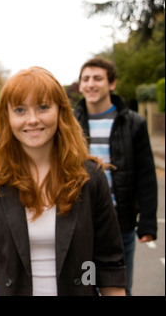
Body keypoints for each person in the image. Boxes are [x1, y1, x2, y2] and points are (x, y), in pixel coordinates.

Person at [0, 67, 126, 296]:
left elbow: (109, 264)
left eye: (43, 107)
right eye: (20, 110)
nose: (32, 120)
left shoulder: (90, 177)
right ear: (7, 117)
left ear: (60, 111)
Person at [74, 57, 158, 296]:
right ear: (80, 85)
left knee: (119, 287)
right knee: (82, 288)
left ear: (112, 84)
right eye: (86, 79)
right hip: (80, 220)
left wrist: (148, 222)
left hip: (121, 223)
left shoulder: (133, 122)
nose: (90, 84)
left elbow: (146, 175)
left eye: (97, 78)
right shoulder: (69, 122)